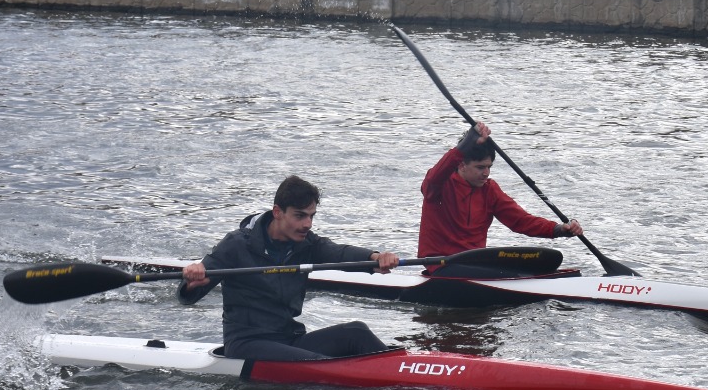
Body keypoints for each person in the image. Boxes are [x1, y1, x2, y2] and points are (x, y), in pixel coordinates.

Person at [179, 175, 400, 361]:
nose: (308, 224)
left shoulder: (305, 244)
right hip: (246, 343)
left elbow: (338, 252)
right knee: (318, 365)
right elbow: (188, 295)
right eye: (300, 216)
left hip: (289, 337)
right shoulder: (236, 244)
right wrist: (191, 283)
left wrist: (375, 258)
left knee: (357, 332)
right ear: (278, 212)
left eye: (311, 216)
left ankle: (402, 368)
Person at [417, 122, 584, 259]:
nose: (486, 173)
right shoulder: (438, 186)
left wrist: (559, 230)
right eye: (480, 167)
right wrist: (468, 141)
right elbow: (436, 175)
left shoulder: (490, 190)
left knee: (551, 259)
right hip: (440, 264)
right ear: (461, 165)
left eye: (489, 167)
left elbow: (521, 221)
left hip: (475, 262)